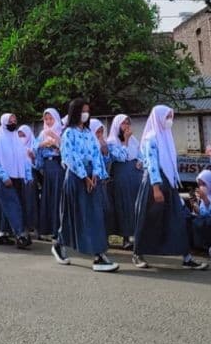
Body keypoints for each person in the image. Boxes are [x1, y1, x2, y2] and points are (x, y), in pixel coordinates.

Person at [133, 105, 207, 271]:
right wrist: (156, 188)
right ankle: (138, 253)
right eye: (167, 117)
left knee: (177, 219)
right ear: (158, 117)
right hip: (154, 184)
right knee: (148, 220)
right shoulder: (151, 138)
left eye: (171, 116)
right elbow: (152, 164)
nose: (170, 120)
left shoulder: (166, 136)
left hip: (169, 184)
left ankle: (186, 257)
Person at [52, 99, 118, 272]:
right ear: (75, 112)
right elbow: (69, 157)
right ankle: (61, 244)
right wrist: (84, 177)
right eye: (83, 110)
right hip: (76, 177)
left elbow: (96, 154)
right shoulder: (69, 133)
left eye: (88, 111)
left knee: (94, 215)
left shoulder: (89, 133)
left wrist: (96, 173)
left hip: (92, 177)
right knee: (72, 214)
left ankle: (99, 254)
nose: (86, 114)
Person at [0, 113, 33, 249]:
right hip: (5, 179)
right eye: (11, 121)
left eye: (15, 120)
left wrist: (27, 175)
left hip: (17, 178)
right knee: (14, 206)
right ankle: (20, 235)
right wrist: (4, 177)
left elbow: (24, 160)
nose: (13, 123)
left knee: (8, 207)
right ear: (4, 123)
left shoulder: (16, 140)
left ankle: (3, 234)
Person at [106, 114, 144, 250]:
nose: (126, 126)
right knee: (124, 204)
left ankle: (136, 235)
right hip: (121, 174)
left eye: (128, 123)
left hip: (135, 174)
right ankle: (126, 236)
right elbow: (121, 156)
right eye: (123, 123)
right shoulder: (112, 141)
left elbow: (141, 153)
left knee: (135, 203)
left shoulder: (133, 139)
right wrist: (125, 141)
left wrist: (141, 161)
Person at [35, 108, 64, 241]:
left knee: (58, 197)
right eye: (46, 119)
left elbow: (66, 149)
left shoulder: (62, 131)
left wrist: (56, 144)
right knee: (48, 196)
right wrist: (42, 144)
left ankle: (58, 229)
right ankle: (47, 229)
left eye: (51, 118)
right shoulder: (42, 133)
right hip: (47, 167)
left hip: (58, 166)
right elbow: (34, 148)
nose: (48, 121)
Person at [188, 169, 211, 252]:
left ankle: (209, 247)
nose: (201, 186)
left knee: (209, 221)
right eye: (199, 184)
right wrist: (195, 206)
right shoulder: (204, 194)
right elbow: (202, 213)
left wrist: (206, 200)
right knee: (191, 219)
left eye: (203, 184)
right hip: (205, 218)